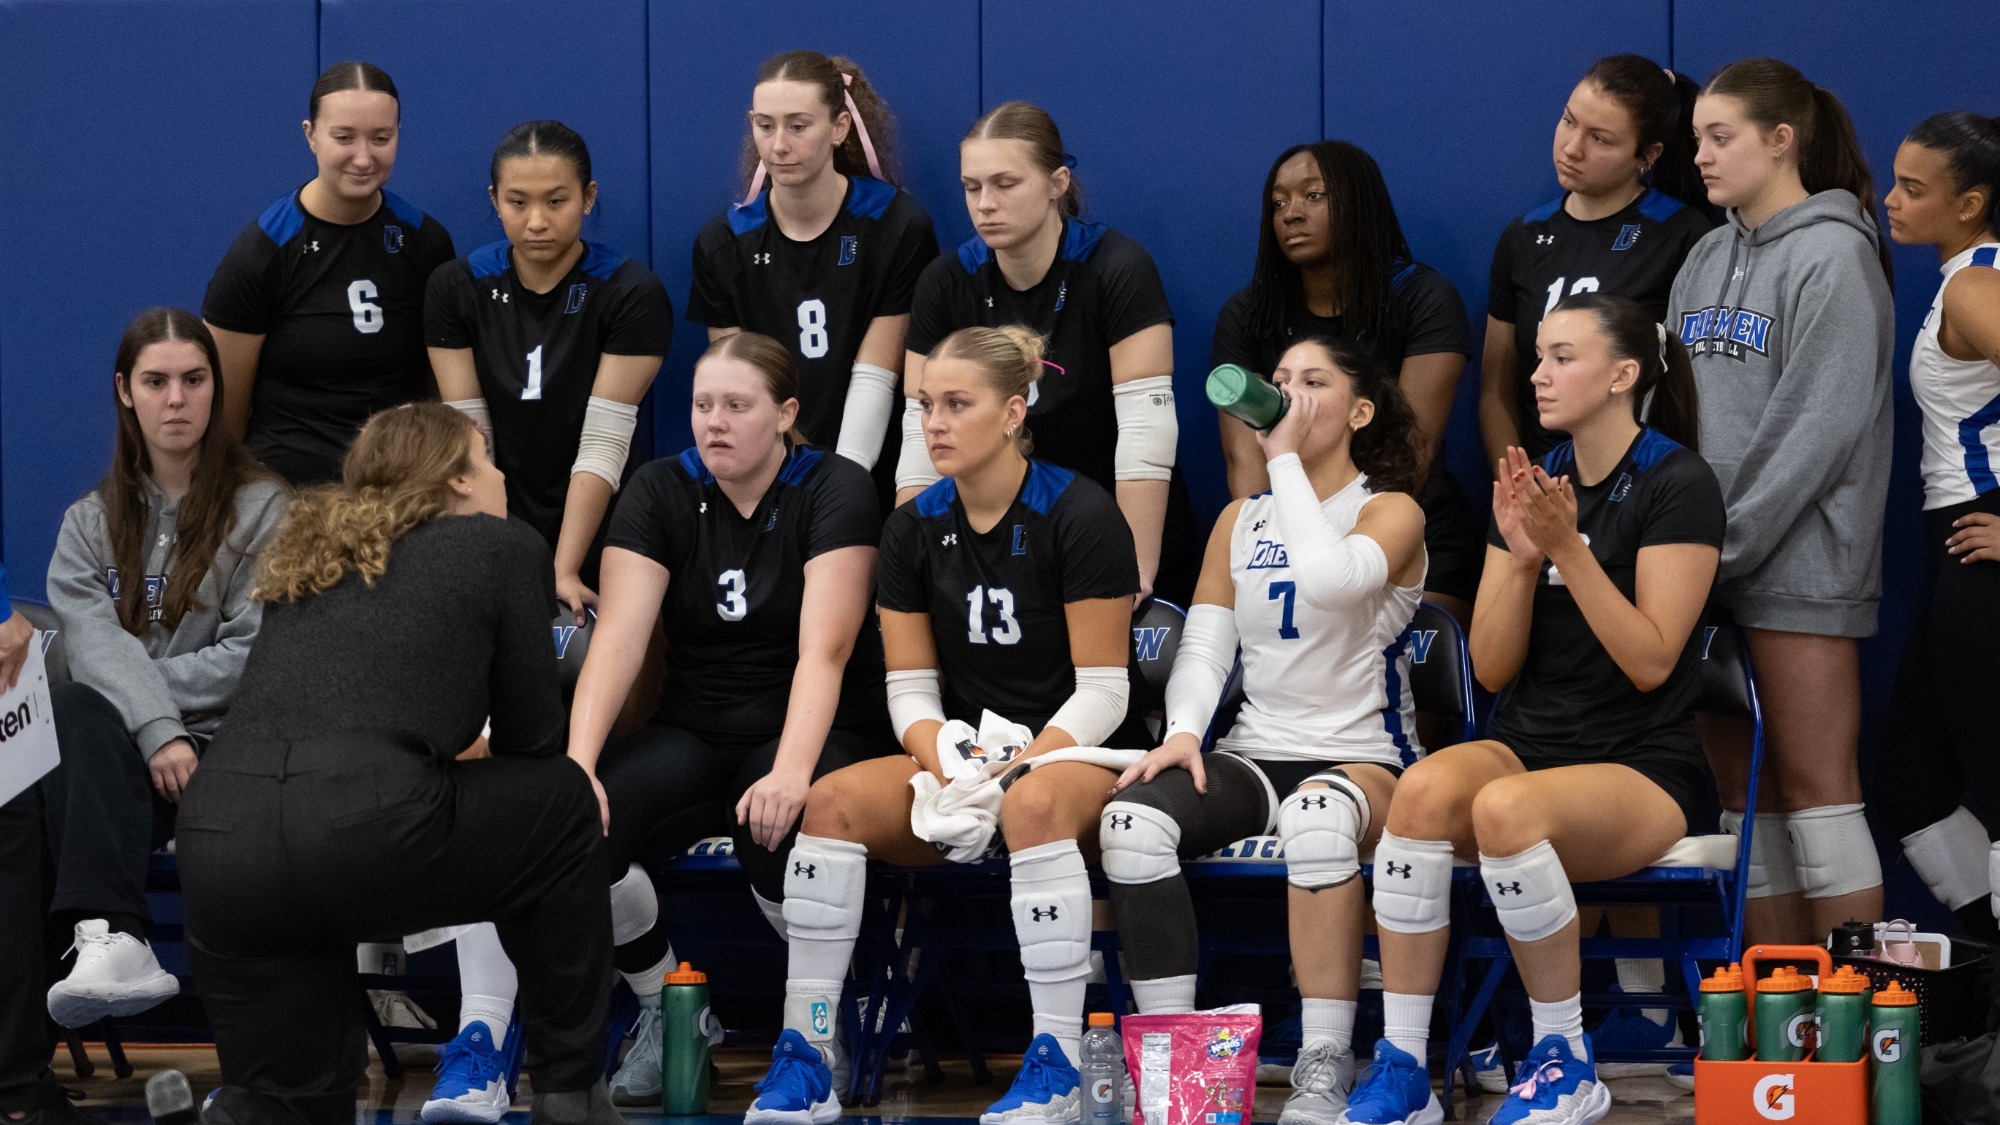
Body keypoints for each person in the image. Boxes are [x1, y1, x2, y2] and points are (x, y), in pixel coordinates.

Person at [1334, 295, 1721, 1125]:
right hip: (1532, 742)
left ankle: (1565, 1059)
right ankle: (1406, 1063)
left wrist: (1571, 550)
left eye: (1562, 357)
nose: (1537, 374)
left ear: (1622, 376)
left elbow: (1653, 660)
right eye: (1538, 354)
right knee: (1423, 793)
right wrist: (1515, 557)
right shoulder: (1538, 479)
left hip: (1643, 762)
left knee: (1508, 810)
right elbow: (1492, 665)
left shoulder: (1678, 482)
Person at [746, 326, 1148, 1125]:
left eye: (956, 405)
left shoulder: (1081, 511)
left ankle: (1056, 1061)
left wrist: (1017, 767)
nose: (933, 422)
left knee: (1032, 806)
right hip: (966, 756)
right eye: (926, 404)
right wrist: (952, 756)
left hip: (1075, 751)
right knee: (828, 805)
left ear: (1012, 412)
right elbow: (909, 688)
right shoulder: (911, 527)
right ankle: (812, 1050)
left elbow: (1105, 690)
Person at [177, 404, 618, 1125]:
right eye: (489, 461)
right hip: (364, 825)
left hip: (221, 835)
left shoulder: (306, 555)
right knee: (564, 800)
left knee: (296, 1100)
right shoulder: (500, 545)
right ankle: (571, 1089)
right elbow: (532, 742)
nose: (502, 476)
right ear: (457, 479)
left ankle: (252, 1109)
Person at [558, 333, 893, 1107]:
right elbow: (618, 638)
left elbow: (828, 650)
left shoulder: (834, 486)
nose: (714, 422)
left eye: (737, 406)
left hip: (810, 721)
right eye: (703, 405)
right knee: (577, 831)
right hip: (695, 721)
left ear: (785, 414)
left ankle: (816, 1021)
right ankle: (666, 1008)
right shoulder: (659, 488)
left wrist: (792, 769)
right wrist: (578, 763)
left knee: (773, 821)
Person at [1100, 334, 1428, 1125]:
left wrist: (1281, 464)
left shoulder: (1391, 508)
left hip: (1365, 756)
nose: (1286, 392)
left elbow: (1331, 577)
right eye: (1279, 379)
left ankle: (1325, 1060)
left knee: (1318, 821)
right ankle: (1175, 1073)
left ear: (1359, 410)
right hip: (1258, 750)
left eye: (1313, 380)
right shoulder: (1240, 520)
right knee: (1131, 820)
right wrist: (1182, 729)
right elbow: (1209, 641)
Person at [1671, 58, 1894, 945]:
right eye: (1695, 141)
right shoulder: (1704, 253)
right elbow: (1673, 410)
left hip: (1800, 567)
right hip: (1703, 570)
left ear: (1781, 140)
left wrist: (1714, 550)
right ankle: (1776, 1029)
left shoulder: (1837, 253)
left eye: (1719, 138)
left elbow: (1815, 432)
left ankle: (1852, 1026)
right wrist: (1676, 546)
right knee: (1742, 805)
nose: (1702, 157)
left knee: (1818, 794)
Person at [36, 310, 288, 1030]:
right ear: (125, 391)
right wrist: (153, 727)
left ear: (215, 388)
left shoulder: (265, 507)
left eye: (193, 380)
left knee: (88, 704)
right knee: (59, 735)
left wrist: (151, 715)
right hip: (123, 761)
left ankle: (111, 934)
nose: (176, 399)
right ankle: (33, 1056)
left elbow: (253, 652)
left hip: (225, 752)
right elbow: (92, 645)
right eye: (156, 381)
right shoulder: (88, 523)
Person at [897, 102, 1192, 605]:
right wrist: (914, 564)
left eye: (1005, 184)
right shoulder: (945, 283)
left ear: (1057, 183)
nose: (984, 203)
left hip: (1105, 517)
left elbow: (1147, 430)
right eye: (972, 187)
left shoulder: (1117, 269)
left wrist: (1134, 568)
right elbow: (920, 434)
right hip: (995, 534)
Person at [1211, 141, 1479, 622]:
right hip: (1284, 536)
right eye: (1278, 203)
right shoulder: (1248, 313)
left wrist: (1343, 553)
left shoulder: (1423, 298)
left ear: (1359, 203)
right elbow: (1245, 462)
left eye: (1313, 196)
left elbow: (1410, 449)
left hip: (1407, 526)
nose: (1291, 214)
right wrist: (1266, 552)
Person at [427, 119, 672, 622]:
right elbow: (470, 439)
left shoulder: (631, 293)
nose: (537, 221)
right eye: (518, 202)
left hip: (602, 511)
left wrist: (564, 568)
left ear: (588, 197)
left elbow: (605, 440)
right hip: (498, 504)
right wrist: (499, 551)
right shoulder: (456, 288)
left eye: (556, 201)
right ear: (494, 199)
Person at [689, 50, 938, 507]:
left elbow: (876, 376)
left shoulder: (896, 226)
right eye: (765, 125)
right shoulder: (723, 243)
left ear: (839, 128)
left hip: (870, 471)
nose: (779, 145)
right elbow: (739, 384)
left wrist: (838, 492)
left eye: (798, 126)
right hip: (768, 476)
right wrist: (791, 486)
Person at [202, 61, 455, 486]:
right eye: (344, 137)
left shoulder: (425, 242)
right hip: (291, 496)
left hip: (399, 492)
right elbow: (226, 422)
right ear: (311, 135)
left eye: (381, 138)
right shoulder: (262, 252)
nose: (363, 157)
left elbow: (439, 394)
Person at [1878, 110, 2000, 940]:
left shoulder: (1974, 285)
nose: (1891, 199)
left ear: (1971, 202)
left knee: (1995, 788)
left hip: (1980, 548)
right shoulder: (1966, 276)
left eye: (1914, 188)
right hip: (1952, 546)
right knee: (1912, 781)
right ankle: (1989, 954)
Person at [1481, 55, 1718, 463]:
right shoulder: (1522, 236)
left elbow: (1695, 388)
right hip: (1539, 481)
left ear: (1647, 154)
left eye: (1600, 139)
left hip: (1635, 485)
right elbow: (1497, 390)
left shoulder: (1685, 236)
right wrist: (1519, 482)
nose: (1572, 148)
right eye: (1569, 121)